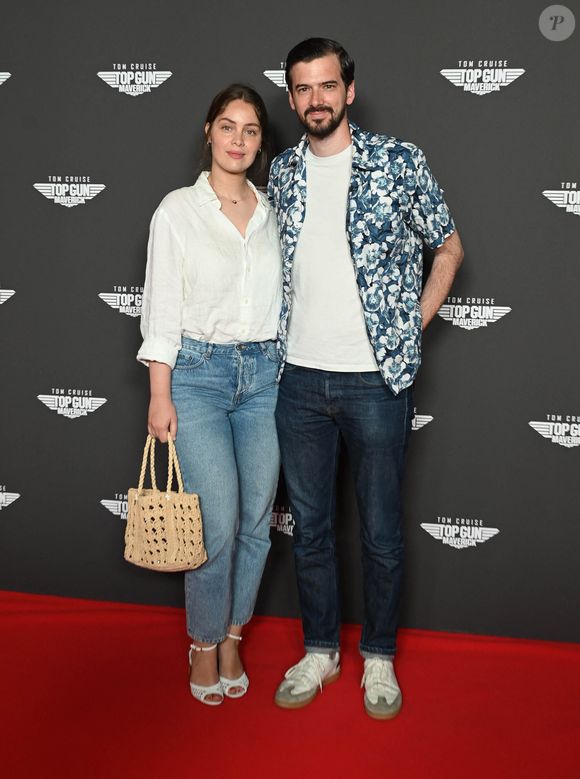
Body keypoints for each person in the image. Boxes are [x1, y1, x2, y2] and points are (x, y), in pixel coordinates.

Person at [268, 38, 464, 719]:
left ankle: (377, 656)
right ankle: (320, 647)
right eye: (303, 88)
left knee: (380, 531)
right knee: (312, 528)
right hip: (297, 382)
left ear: (349, 90)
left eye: (327, 85)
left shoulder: (397, 161)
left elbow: (449, 245)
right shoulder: (283, 173)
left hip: (376, 381)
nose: (316, 98)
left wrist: (413, 323)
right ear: (291, 97)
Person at [137, 84, 282, 706]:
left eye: (251, 130)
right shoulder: (177, 211)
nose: (239, 140)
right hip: (196, 377)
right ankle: (201, 643)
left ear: (259, 141)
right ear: (208, 131)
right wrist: (159, 394)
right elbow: (162, 309)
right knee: (216, 521)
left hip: (267, 378)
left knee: (255, 521)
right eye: (229, 126)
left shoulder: (276, 211)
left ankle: (231, 635)